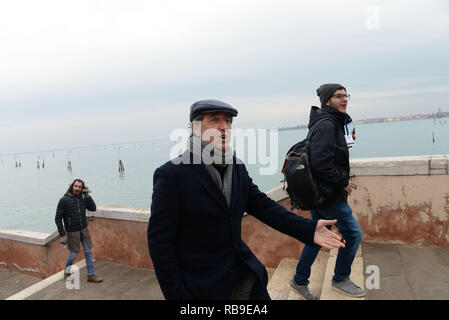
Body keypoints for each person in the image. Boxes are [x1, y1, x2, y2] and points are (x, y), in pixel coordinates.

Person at [147, 99, 345, 300]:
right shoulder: (172, 175)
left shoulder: (236, 167)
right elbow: (160, 244)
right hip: (202, 288)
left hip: (245, 279)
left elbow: (264, 206)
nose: (224, 127)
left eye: (228, 121)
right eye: (215, 120)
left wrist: (309, 229)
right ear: (196, 128)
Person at [290, 84, 365, 299]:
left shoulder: (330, 122)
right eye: (338, 96)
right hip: (329, 195)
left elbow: (326, 154)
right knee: (352, 234)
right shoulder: (327, 125)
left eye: (345, 95)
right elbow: (320, 162)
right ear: (326, 101)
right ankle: (341, 278)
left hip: (321, 194)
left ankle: (299, 280)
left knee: (316, 236)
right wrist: (343, 182)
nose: (344, 99)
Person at [55, 179, 103, 283]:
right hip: (72, 232)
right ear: (72, 186)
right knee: (73, 254)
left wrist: (88, 196)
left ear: (82, 189)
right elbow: (58, 218)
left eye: (79, 187)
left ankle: (91, 275)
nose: (77, 188)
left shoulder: (83, 198)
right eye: (75, 186)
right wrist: (62, 234)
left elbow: (93, 208)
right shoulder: (64, 200)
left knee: (88, 252)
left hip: (84, 230)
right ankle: (67, 271)